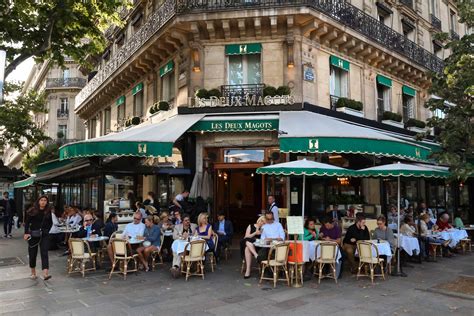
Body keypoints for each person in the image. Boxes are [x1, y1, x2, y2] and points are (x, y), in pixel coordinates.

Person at [23, 195, 53, 280]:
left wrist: (47, 231)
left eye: (45, 200)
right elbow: (27, 223)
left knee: (44, 253)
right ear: (38, 201)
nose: (43, 202)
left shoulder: (48, 211)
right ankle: (33, 272)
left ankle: (45, 274)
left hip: (44, 235)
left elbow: (51, 222)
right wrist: (26, 233)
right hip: (33, 235)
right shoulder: (33, 210)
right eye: (41, 200)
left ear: (47, 202)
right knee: (32, 254)